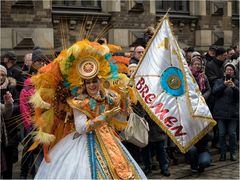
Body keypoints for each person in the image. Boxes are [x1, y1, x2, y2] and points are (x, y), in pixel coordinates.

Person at [31, 40, 146, 179]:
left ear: (100, 81)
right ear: (83, 84)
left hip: (109, 140)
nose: (92, 85)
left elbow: (120, 120)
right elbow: (80, 128)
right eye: (88, 82)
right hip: (84, 142)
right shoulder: (79, 101)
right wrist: (103, 118)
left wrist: (124, 101)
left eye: (94, 81)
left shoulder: (109, 96)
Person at [212, 63, 239, 161]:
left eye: (231, 70)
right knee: (222, 134)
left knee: (232, 134)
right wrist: (224, 85)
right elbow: (214, 92)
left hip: (233, 114)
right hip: (220, 113)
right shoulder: (219, 81)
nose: (229, 71)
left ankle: (233, 153)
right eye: (227, 70)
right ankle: (222, 154)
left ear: (234, 72)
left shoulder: (237, 82)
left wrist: (234, 87)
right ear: (224, 72)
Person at [0, 65, 19, 179]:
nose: (1, 77)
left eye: (3, 75)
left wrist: (9, 105)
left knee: (8, 161)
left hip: (9, 129)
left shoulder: (11, 88)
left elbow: (17, 106)